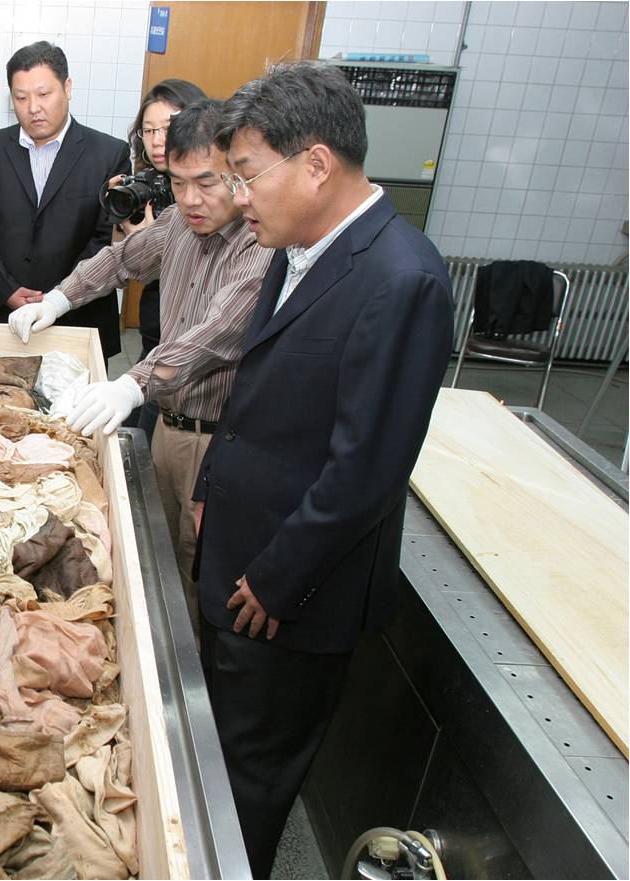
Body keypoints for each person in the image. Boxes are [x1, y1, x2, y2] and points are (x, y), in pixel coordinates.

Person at [195, 61, 454, 877]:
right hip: (242, 553)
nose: (238, 197)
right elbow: (256, 389)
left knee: (249, 779)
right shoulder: (299, 243)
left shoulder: (401, 279)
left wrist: (279, 581)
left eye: (246, 175)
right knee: (216, 751)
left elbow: (367, 468)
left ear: (315, 164)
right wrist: (209, 485)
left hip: (290, 598)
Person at [8, 99, 273, 636]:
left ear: (238, 173)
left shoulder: (261, 245)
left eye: (206, 182)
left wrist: (131, 383)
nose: (190, 199)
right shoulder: (178, 224)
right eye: (177, 183)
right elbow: (120, 260)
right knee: (158, 560)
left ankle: (197, 674)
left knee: (201, 573)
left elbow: (213, 336)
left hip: (216, 443)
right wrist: (57, 299)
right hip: (168, 429)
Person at [0, 41, 130, 359]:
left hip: (79, 313)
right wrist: (6, 289)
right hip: (2, 311)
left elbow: (105, 238)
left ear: (67, 87)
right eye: (21, 98)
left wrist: (59, 298)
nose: (33, 107)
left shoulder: (109, 154)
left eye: (44, 94)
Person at [116, 78, 207, 435]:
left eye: (167, 129)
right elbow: (120, 259)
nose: (156, 141)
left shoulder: (207, 197)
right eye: (148, 130)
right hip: (155, 329)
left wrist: (154, 243)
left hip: (191, 348)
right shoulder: (148, 183)